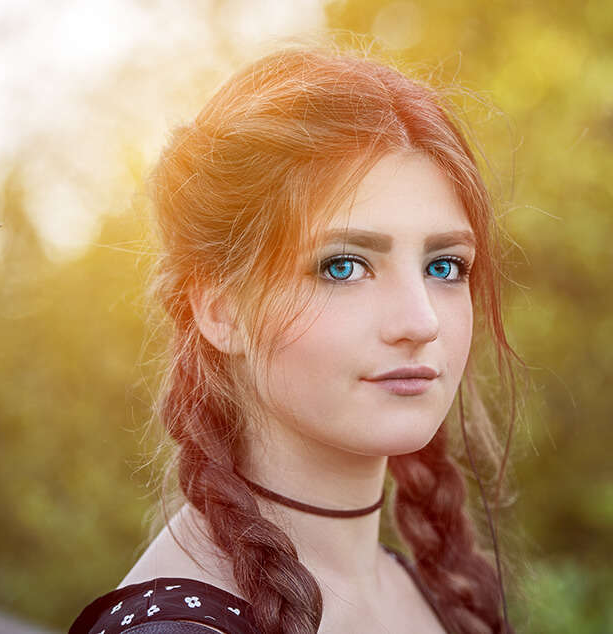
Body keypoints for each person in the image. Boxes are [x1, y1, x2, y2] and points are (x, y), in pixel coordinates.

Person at [69, 42, 520, 634]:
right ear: (221, 308)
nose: (420, 321)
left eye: (444, 267)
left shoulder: (438, 598)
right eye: (343, 266)